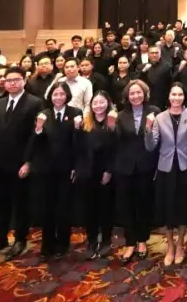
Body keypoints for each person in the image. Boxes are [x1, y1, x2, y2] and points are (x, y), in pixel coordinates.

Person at [0, 67, 45, 262]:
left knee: (21, 203)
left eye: (16, 79)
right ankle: (0, 239)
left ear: (24, 81)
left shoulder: (35, 103)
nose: (12, 83)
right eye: (8, 80)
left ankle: (20, 239)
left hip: (20, 163)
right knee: (0, 203)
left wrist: (29, 161)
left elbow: (35, 135)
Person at [31, 82, 85, 261]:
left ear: (67, 95)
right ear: (50, 96)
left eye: (62, 94)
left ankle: (63, 243)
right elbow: (36, 143)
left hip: (66, 167)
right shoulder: (43, 114)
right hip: (46, 168)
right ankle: (47, 244)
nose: (58, 97)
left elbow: (79, 143)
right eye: (55, 94)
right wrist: (38, 128)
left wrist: (77, 129)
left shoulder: (75, 113)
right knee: (47, 206)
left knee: (63, 206)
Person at [146, 83, 187, 267]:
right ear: (168, 97)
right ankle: (170, 246)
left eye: (180, 94)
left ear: (184, 97)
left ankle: (181, 244)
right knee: (167, 209)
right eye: (173, 94)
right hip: (165, 168)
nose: (176, 98)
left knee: (183, 208)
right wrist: (148, 128)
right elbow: (151, 146)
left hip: (186, 167)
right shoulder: (159, 118)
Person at [112, 80, 160, 263]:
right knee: (126, 205)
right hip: (124, 167)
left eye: (139, 92)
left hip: (146, 166)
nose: (135, 96)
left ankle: (142, 240)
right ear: (127, 96)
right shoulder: (120, 115)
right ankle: (130, 242)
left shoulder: (154, 111)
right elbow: (115, 140)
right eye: (132, 93)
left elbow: (157, 139)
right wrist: (111, 127)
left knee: (143, 204)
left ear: (145, 93)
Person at [78, 91, 117, 259]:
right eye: (95, 103)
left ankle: (106, 240)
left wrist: (109, 170)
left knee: (105, 208)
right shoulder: (85, 123)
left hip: (107, 171)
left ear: (108, 104)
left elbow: (116, 149)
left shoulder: (113, 122)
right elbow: (78, 148)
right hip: (88, 172)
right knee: (89, 208)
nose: (98, 106)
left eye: (102, 102)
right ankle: (92, 240)